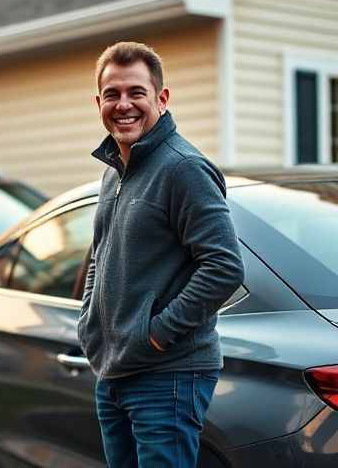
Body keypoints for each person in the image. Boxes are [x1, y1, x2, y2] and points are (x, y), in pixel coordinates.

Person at [77, 41, 245, 467]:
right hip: (113, 370)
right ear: (98, 102)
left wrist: (153, 334)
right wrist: (91, 323)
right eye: (112, 94)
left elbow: (224, 266)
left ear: (162, 98)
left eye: (136, 92)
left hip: (167, 373)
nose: (124, 104)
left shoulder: (183, 168)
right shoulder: (114, 172)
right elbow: (100, 254)